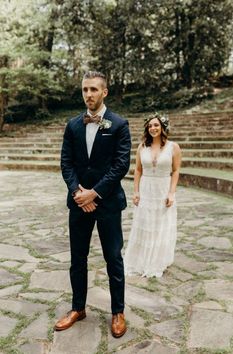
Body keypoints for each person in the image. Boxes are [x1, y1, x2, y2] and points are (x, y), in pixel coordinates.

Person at [54, 71, 131, 338]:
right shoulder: (73, 125)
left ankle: (118, 312)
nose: (89, 94)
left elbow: (121, 165)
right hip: (78, 203)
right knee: (78, 259)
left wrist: (94, 194)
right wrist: (78, 193)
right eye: (85, 89)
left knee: (113, 258)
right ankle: (78, 308)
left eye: (94, 90)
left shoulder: (119, 124)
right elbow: (67, 163)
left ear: (104, 92)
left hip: (107, 203)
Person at [124, 113, 181, 278]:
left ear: (163, 127)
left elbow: (176, 170)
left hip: (163, 188)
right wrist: (136, 191)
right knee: (145, 223)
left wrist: (171, 193)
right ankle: (142, 260)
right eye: (150, 126)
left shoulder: (173, 147)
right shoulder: (142, 147)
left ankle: (157, 260)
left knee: (161, 225)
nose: (153, 128)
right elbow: (138, 170)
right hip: (146, 188)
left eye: (156, 125)